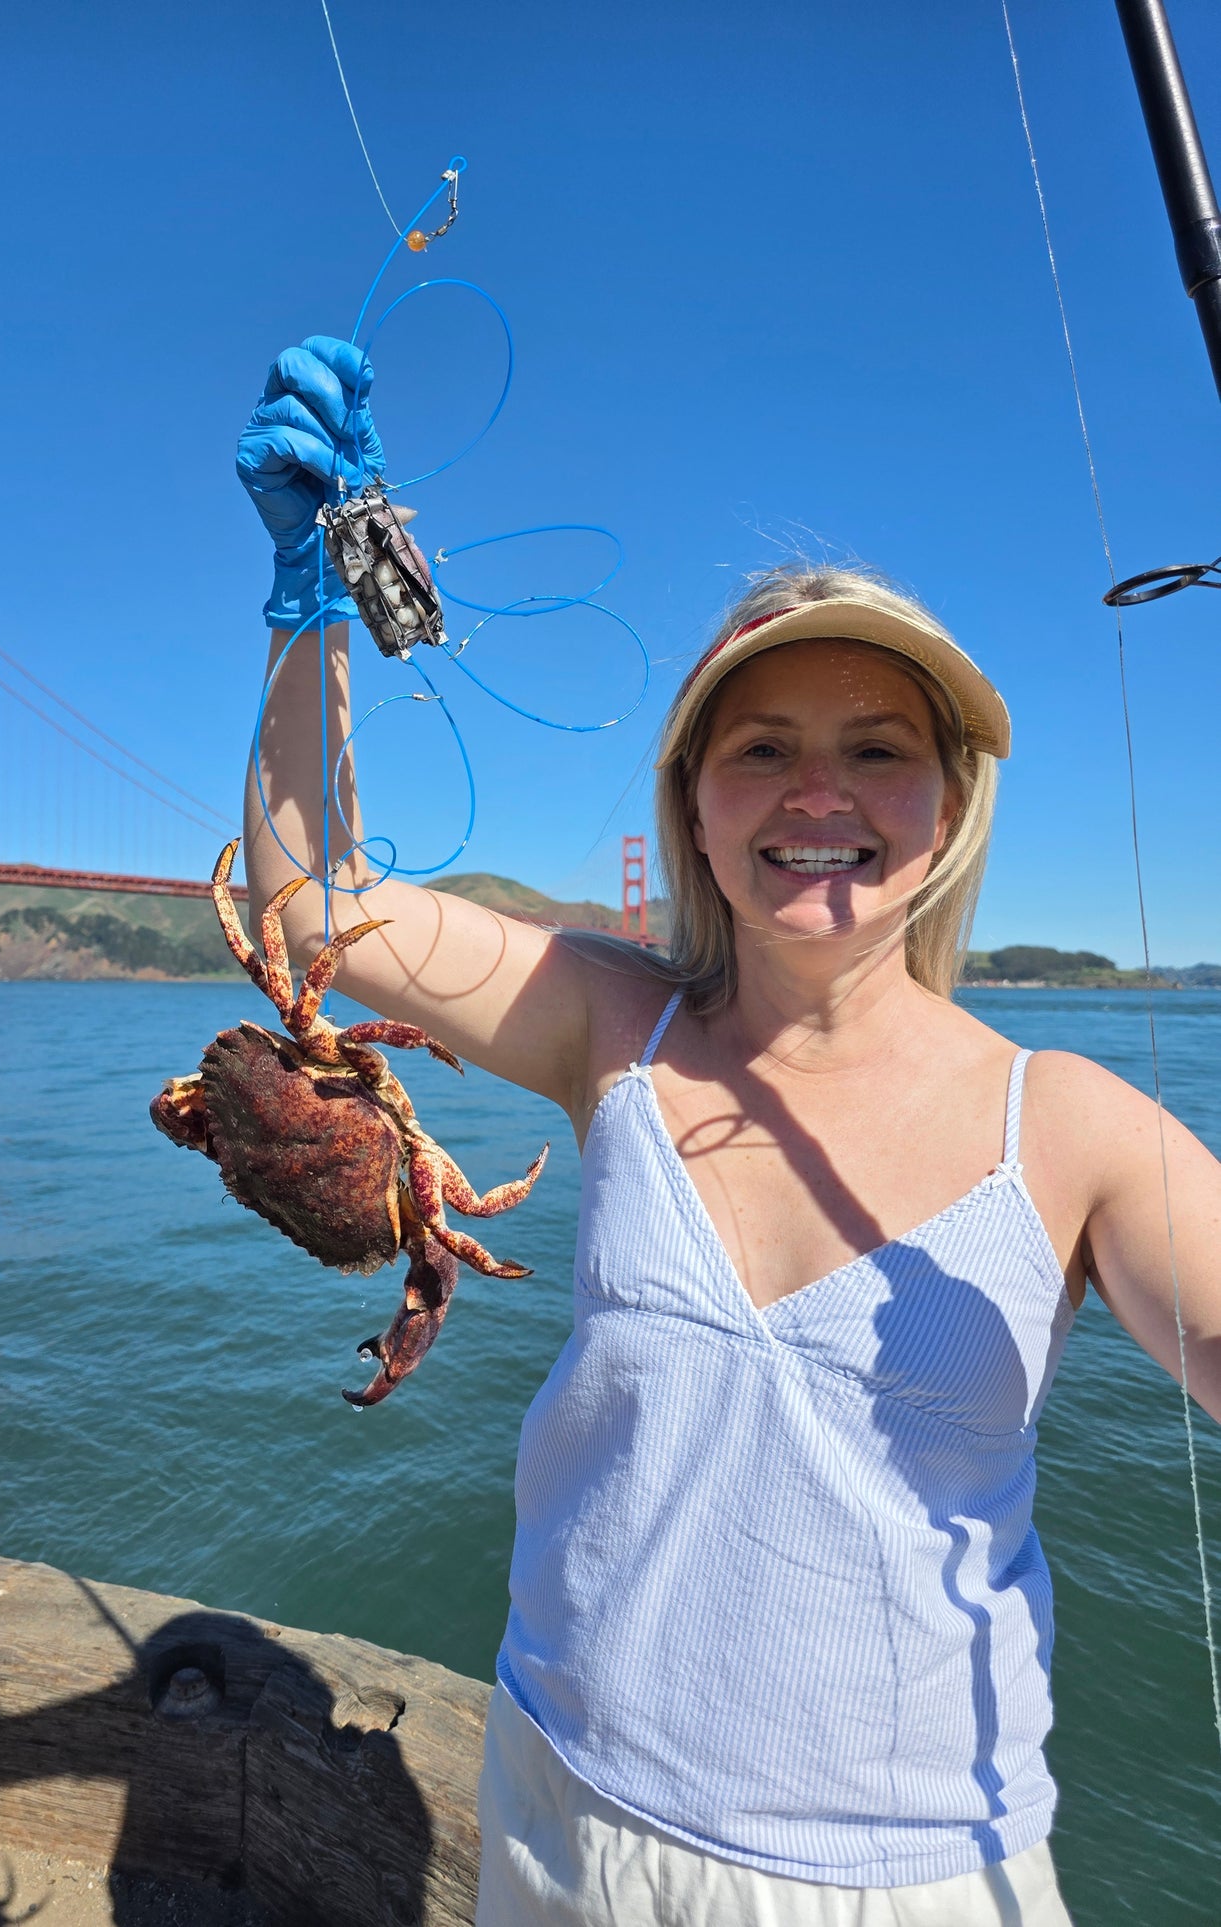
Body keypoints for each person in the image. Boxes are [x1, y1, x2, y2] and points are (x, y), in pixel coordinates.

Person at [236, 338, 1221, 1926]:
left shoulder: (1075, 1125)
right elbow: (307, 916)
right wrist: (309, 611)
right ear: (691, 800)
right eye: (758, 746)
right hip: (568, 1818)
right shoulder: (606, 1021)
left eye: (877, 748)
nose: (814, 792)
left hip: (914, 1877)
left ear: (949, 805)